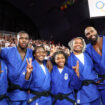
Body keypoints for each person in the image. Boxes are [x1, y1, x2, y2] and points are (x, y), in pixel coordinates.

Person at [0, 31, 33, 105]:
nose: (24, 40)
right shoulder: (6, 51)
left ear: (29, 40)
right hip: (11, 93)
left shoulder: (31, 52)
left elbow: (41, 57)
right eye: (21, 38)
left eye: (26, 38)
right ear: (16, 40)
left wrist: (50, 61)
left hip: (25, 93)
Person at [67, 37, 100, 105]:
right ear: (71, 45)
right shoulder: (68, 60)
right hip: (81, 93)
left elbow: (95, 67)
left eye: (80, 43)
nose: (78, 45)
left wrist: (97, 78)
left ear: (83, 45)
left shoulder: (87, 55)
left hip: (94, 90)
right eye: (76, 43)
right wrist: (77, 75)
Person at [84, 26, 105, 105]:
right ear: (86, 37)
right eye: (87, 34)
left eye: (92, 31)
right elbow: (89, 67)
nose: (91, 34)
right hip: (102, 83)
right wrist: (95, 78)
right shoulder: (87, 49)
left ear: (96, 31)